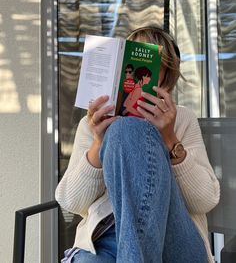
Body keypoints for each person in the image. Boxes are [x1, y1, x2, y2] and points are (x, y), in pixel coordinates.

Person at [55, 26, 220, 263]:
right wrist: (99, 144)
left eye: (156, 63)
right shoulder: (93, 123)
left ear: (165, 75)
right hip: (106, 239)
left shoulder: (182, 119)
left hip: (176, 241)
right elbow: (70, 202)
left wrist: (169, 138)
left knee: (127, 129)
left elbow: (206, 199)